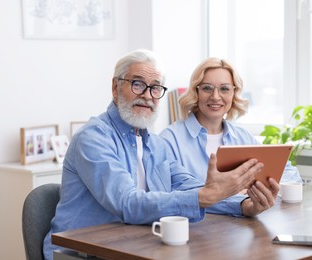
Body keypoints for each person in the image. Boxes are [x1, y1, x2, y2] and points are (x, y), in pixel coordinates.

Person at [43, 50, 279, 259]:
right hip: (80, 253)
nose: (147, 95)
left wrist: (244, 206)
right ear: (115, 87)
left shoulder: (156, 145)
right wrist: (205, 196)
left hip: (132, 248)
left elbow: (189, 187)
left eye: (155, 87)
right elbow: (127, 203)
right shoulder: (93, 137)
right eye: (137, 84)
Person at [160, 57, 302, 185]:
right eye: (207, 88)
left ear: (234, 93)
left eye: (224, 89)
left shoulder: (242, 137)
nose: (215, 96)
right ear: (195, 92)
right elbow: (177, 193)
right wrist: (235, 197)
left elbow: (290, 174)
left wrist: (260, 188)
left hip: (247, 214)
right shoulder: (169, 140)